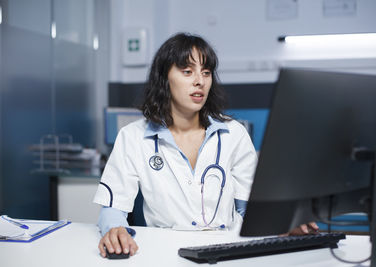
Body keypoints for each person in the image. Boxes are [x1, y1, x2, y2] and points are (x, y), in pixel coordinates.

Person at [93, 32, 318, 258]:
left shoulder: (233, 133)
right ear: (164, 78)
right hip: (165, 252)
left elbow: (249, 206)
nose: (199, 81)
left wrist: (281, 224)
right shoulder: (133, 136)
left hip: (228, 250)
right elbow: (113, 206)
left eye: (206, 72)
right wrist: (115, 230)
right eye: (187, 71)